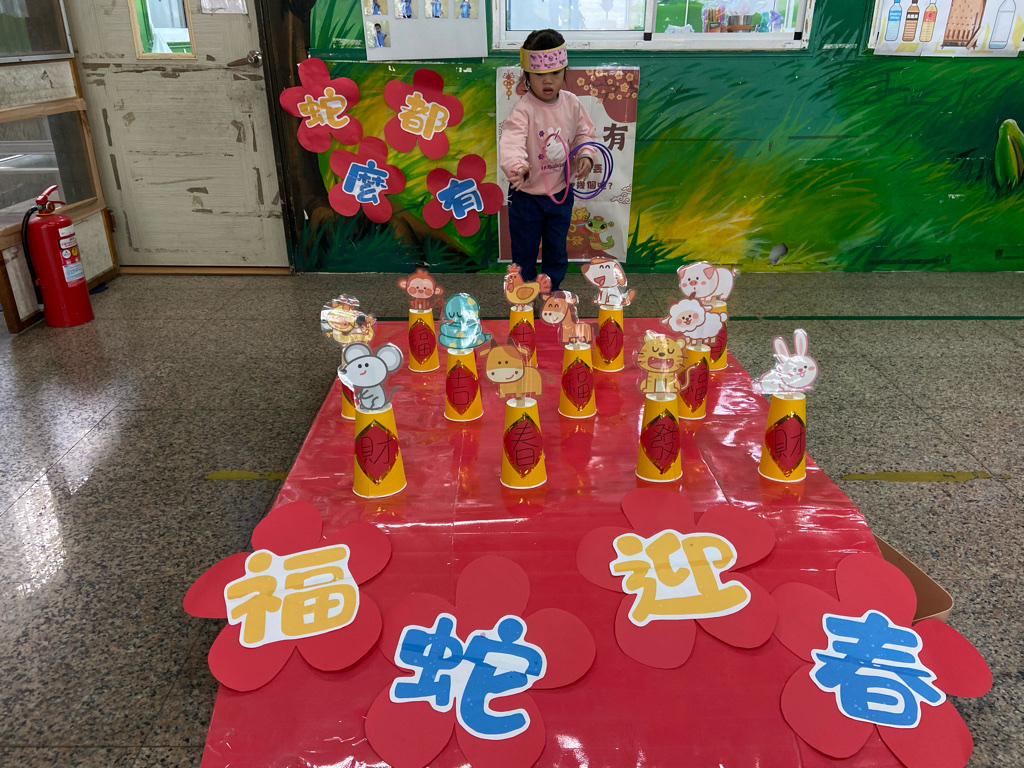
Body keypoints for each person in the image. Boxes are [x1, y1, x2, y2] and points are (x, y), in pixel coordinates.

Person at [498, 29, 595, 292]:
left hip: (560, 194)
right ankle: (524, 293)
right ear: (527, 76)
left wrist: (586, 154)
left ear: (564, 71)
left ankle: (552, 293)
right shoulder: (524, 108)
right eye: (539, 75)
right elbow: (512, 141)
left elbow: (584, 134)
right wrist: (518, 167)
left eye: (555, 73)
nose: (548, 80)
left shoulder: (572, 103)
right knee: (524, 251)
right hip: (526, 197)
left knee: (556, 249)